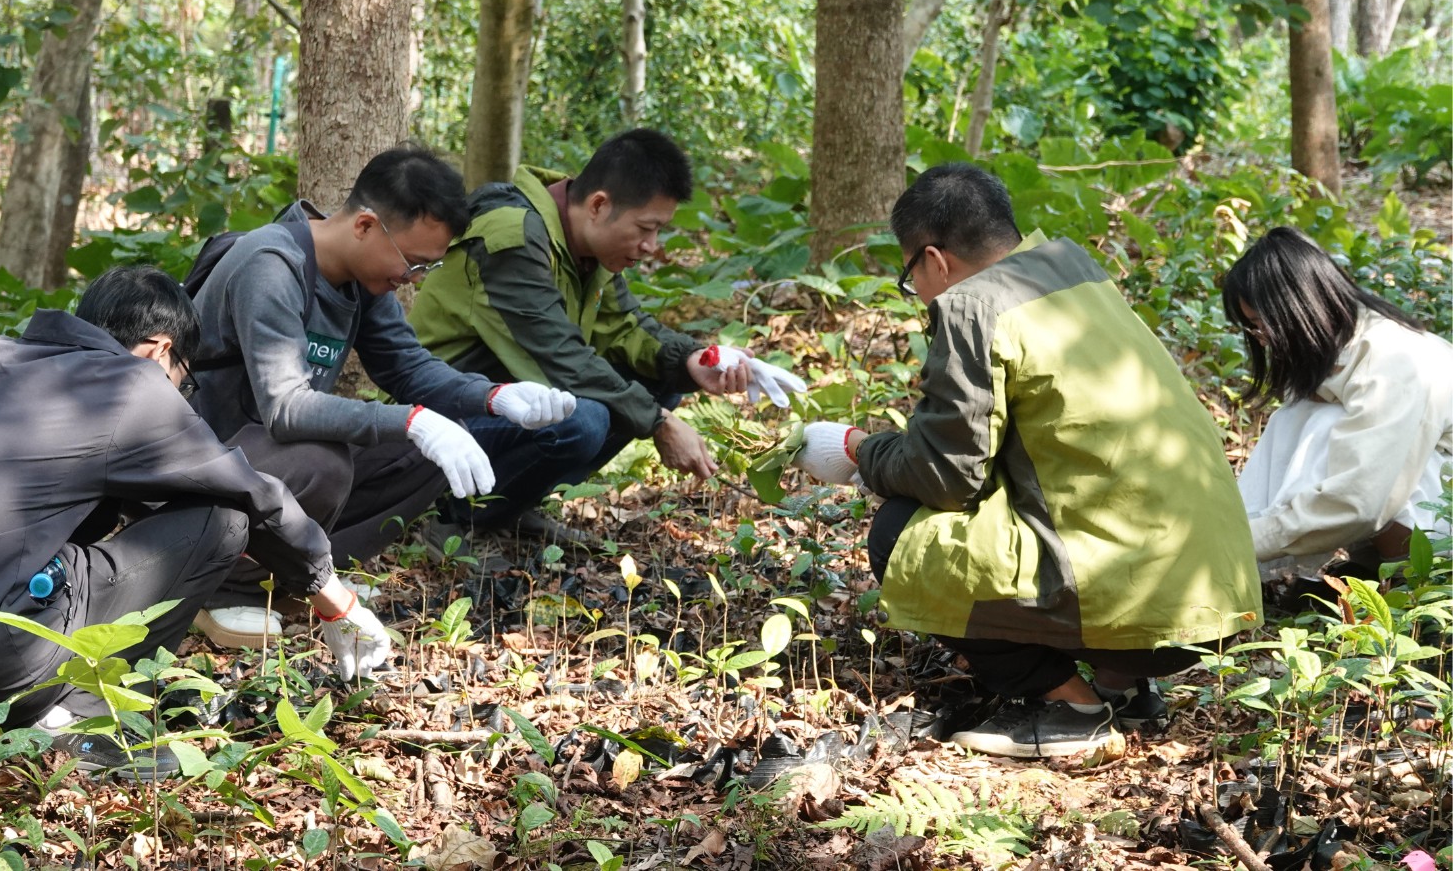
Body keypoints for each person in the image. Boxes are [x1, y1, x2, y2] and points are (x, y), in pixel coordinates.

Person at [791, 163, 1263, 759]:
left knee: (897, 532)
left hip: (1137, 597)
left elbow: (946, 475)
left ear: (934, 261)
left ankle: (1073, 706)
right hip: (1215, 592)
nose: (921, 292)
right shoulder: (1074, 272)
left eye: (912, 275)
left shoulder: (973, 305)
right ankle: (1123, 688)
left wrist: (860, 449)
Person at [0, 266, 396, 779]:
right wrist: (336, 601)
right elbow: (253, 496)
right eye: (183, 381)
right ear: (162, 349)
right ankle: (76, 719)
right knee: (225, 520)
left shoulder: (1, 363)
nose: (179, 395)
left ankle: (43, 698)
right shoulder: (128, 384)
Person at [189, 146, 577, 646]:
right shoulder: (272, 264)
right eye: (413, 262)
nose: (411, 279)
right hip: (198, 465)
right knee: (321, 460)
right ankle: (219, 588)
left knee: (431, 452)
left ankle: (292, 577)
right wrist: (412, 420)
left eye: (425, 268)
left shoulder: (361, 283)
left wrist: (495, 397)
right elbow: (286, 408)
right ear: (366, 225)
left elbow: (408, 368)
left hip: (257, 460)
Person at [408, 129, 806, 548]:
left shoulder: (584, 245)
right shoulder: (511, 238)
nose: (652, 246)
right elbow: (561, 359)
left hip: (503, 403)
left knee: (658, 384)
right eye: (645, 228)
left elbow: (625, 327)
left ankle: (506, 506)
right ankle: (451, 515)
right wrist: (659, 423)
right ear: (599, 205)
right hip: (439, 422)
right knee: (585, 421)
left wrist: (693, 360)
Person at [1225, 227, 1453, 586]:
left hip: (1443, 514)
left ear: (1295, 310)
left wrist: (1245, 541)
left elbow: (1361, 499)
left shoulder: (1393, 362)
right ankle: (1370, 568)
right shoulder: (1348, 345)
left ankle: (1415, 580)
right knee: (1298, 418)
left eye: (1260, 326)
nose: (1262, 340)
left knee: (1322, 429)